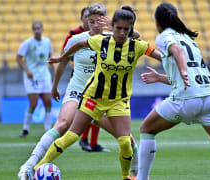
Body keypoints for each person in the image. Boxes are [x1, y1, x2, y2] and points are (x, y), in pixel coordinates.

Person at [33, 6, 161, 180]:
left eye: (126, 29)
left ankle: (126, 176)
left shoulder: (138, 46)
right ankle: (38, 167)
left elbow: (160, 55)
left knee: (125, 141)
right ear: (112, 27)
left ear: (130, 29)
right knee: (70, 136)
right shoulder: (101, 41)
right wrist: (62, 58)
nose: (122, 32)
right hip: (93, 96)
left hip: (118, 100)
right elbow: (79, 44)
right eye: (118, 28)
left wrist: (174, 61)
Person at [137, 3, 210, 180]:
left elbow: (176, 52)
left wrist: (183, 70)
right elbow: (185, 73)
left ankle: (141, 178)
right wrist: (161, 77)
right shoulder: (189, 39)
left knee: (146, 129)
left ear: (157, 21)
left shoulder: (164, 37)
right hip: (209, 96)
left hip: (186, 99)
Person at [61, 5, 109, 152]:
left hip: (99, 83)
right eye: (89, 19)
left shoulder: (108, 36)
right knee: (81, 113)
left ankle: (93, 142)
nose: (94, 23)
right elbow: (65, 55)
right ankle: (83, 139)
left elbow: (134, 36)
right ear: (84, 19)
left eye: (98, 20)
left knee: (96, 113)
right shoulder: (75, 35)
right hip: (79, 77)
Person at [17, 21, 53, 138]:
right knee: (34, 103)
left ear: (42, 29)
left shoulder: (47, 42)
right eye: (35, 28)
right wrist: (26, 70)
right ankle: (25, 128)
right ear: (33, 30)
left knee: (48, 102)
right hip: (32, 77)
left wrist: (55, 68)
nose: (37, 30)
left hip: (44, 75)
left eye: (39, 28)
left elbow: (50, 57)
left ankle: (48, 129)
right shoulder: (27, 43)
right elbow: (18, 57)